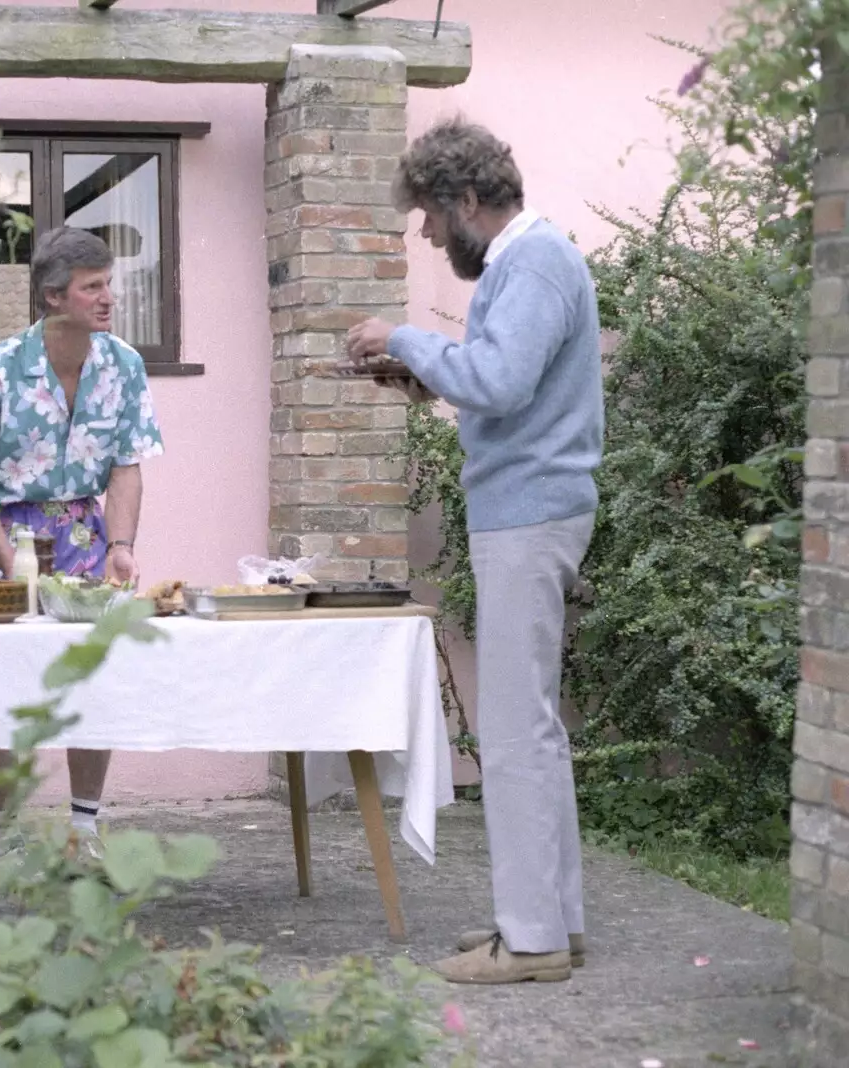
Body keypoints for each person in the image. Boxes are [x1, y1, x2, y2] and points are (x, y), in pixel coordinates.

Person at [345, 118, 604, 985]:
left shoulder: (532, 261)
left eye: (427, 216)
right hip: (530, 511)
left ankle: (529, 941)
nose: (425, 234)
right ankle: (552, 925)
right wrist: (422, 375)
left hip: (529, 516)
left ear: (465, 199)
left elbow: (497, 380)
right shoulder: (527, 263)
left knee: (514, 731)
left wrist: (404, 338)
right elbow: (502, 386)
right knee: (532, 727)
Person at [0, 226, 164, 860]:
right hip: (0, 534)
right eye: (93, 287)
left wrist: (121, 543)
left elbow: (126, 464)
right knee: (0, 684)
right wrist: (9, 561)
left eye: (108, 284)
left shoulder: (124, 364)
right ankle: (8, 833)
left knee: (94, 674)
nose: (108, 297)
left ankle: (85, 826)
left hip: (86, 533)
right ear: (53, 297)